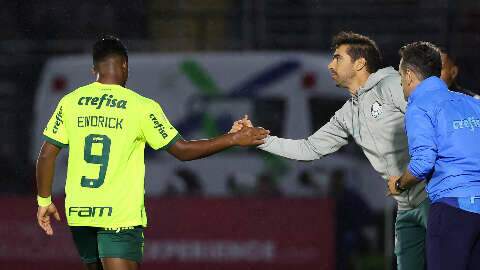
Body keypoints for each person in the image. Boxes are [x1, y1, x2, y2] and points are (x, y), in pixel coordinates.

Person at [35, 35, 269, 270]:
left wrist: (44, 201)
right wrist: (234, 138)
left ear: (94, 69)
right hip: (118, 217)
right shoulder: (141, 107)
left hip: (80, 215)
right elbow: (183, 151)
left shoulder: (70, 102)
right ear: (125, 65)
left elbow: (46, 155)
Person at [231, 31, 429, 270]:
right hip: (406, 206)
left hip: (435, 195)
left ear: (359, 63)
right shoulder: (349, 113)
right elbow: (309, 148)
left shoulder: (390, 85)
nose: (330, 64)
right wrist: (259, 140)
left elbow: (433, 113)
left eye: (338, 58)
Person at [388, 41, 480, 270]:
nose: (401, 84)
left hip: (452, 210)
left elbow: (422, 164)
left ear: (409, 75)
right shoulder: (471, 103)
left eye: (400, 77)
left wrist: (399, 184)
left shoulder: (420, 106)